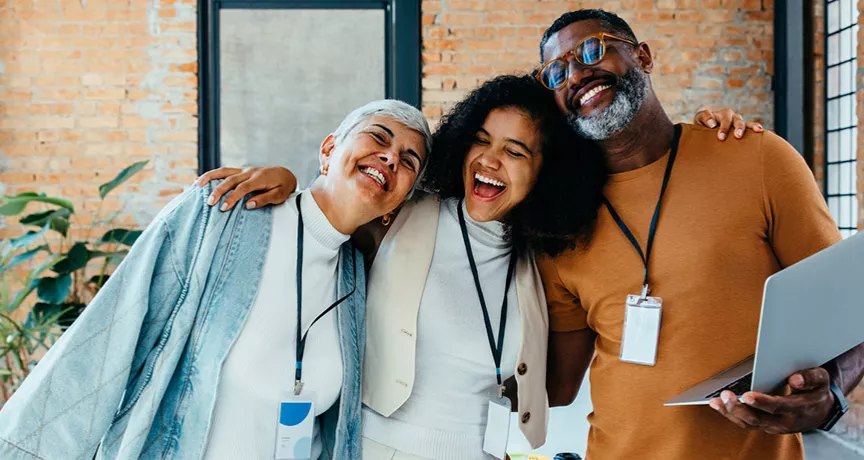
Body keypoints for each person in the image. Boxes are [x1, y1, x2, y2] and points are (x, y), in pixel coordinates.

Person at [199, 87, 755, 459]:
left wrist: (707, 133)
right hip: (372, 447)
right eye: (482, 141)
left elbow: (556, 389)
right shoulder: (397, 213)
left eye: (516, 152)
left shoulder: (549, 260)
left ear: (546, 174)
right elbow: (333, 202)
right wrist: (285, 179)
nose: (490, 160)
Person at [0, 100, 432, 460]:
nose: (391, 156)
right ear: (328, 149)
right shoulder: (220, 214)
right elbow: (106, 338)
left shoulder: (358, 279)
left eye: (409, 160)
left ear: (398, 204)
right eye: (378, 137)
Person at [534, 9, 864, 460]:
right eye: (556, 72)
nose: (575, 74)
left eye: (591, 50)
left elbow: (853, 305)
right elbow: (557, 385)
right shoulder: (562, 221)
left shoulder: (756, 158)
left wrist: (831, 397)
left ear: (643, 56)